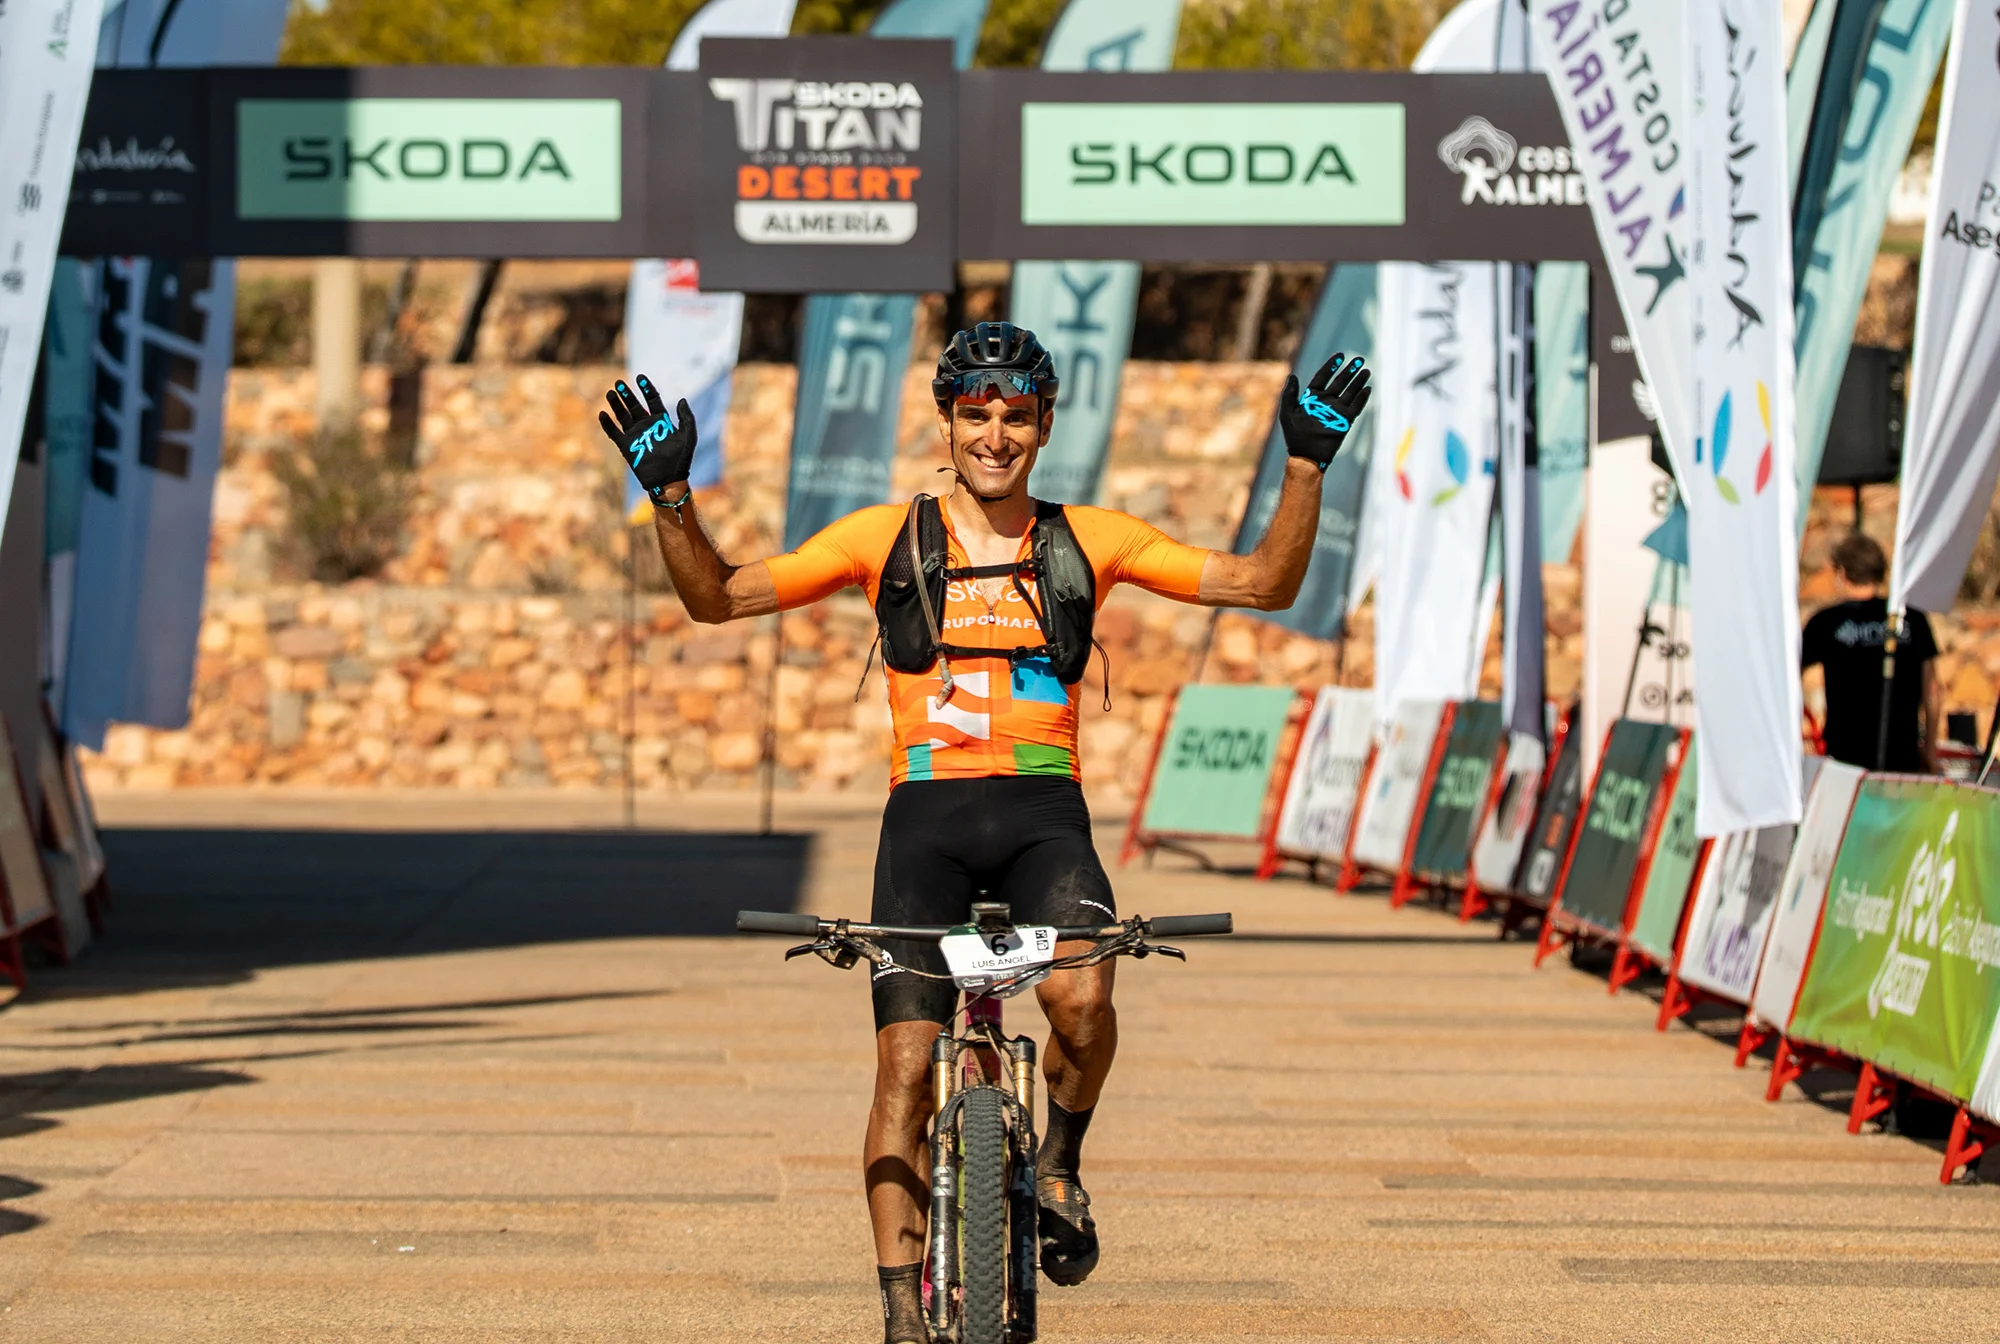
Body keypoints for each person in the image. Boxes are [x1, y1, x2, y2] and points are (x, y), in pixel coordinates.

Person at [599, 322, 1370, 1343]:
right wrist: (670, 498)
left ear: (1043, 425)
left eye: (1014, 416)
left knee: (1082, 999)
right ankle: (899, 1312)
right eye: (976, 414)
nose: (994, 435)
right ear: (947, 422)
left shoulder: (1092, 538)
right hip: (925, 822)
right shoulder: (883, 537)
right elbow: (720, 598)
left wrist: (1306, 467)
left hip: (1045, 816)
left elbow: (1261, 584)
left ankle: (1059, 1162)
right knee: (904, 1068)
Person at [1801, 532, 1941, 773]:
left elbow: (1788, 682)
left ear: (1841, 573)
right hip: (1902, 756)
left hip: (1844, 760)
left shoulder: (1825, 622)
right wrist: (1929, 751)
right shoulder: (1910, 618)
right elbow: (1933, 690)